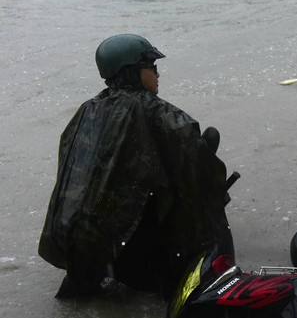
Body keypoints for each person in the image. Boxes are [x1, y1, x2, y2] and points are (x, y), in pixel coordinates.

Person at [39, 34, 231, 299]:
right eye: (151, 66)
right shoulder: (159, 113)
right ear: (132, 71)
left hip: (90, 258)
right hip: (142, 263)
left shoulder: (86, 111)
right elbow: (201, 174)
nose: (157, 73)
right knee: (205, 153)